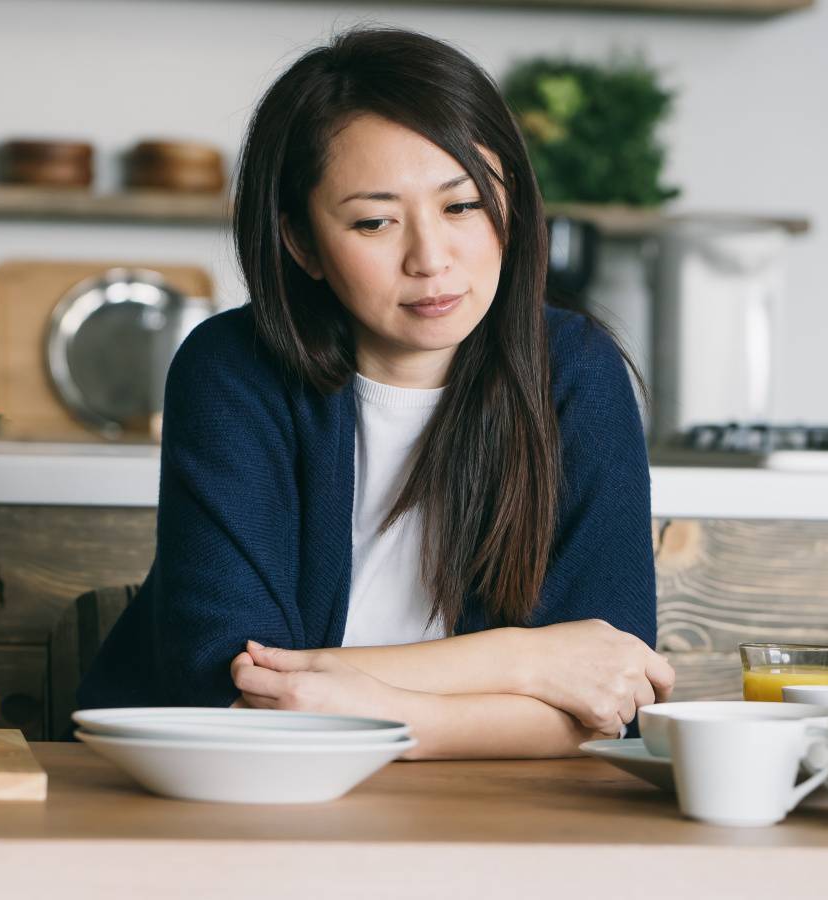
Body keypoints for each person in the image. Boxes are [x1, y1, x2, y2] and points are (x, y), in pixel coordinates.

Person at [78, 27, 674, 759]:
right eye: (374, 222)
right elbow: (227, 694)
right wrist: (525, 661)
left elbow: (613, 700)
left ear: (510, 202)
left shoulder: (575, 373)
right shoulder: (232, 368)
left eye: (462, 207)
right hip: (218, 803)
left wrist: (369, 707)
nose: (431, 259)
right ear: (301, 243)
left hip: (483, 819)